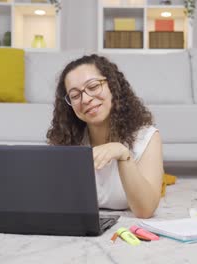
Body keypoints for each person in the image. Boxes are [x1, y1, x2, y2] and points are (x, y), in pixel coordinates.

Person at [46, 54, 164, 218]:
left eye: (93, 87)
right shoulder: (66, 139)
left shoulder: (147, 137)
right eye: (74, 95)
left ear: (113, 86)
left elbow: (145, 210)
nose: (86, 99)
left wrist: (123, 154)